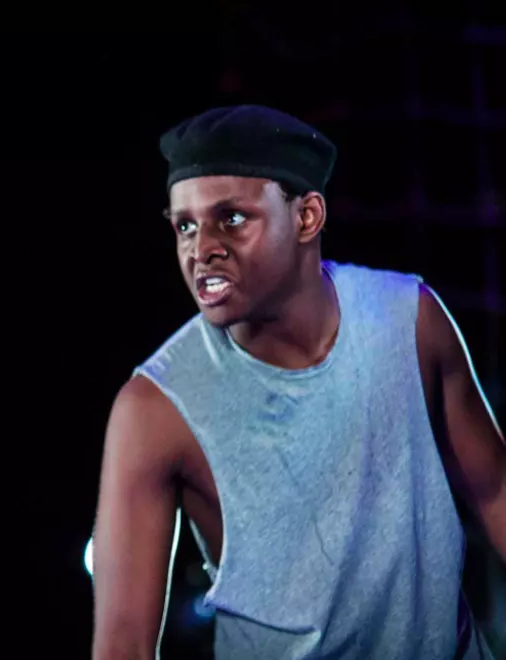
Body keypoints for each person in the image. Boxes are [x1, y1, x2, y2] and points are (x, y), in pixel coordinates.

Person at [90, 104, 504, 659]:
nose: (200, 248)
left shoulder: (410, 320)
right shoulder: (155, 408)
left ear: (307, 217)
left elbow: (495, 491)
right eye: (185, 225)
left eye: (231, 218)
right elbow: (123, 646)